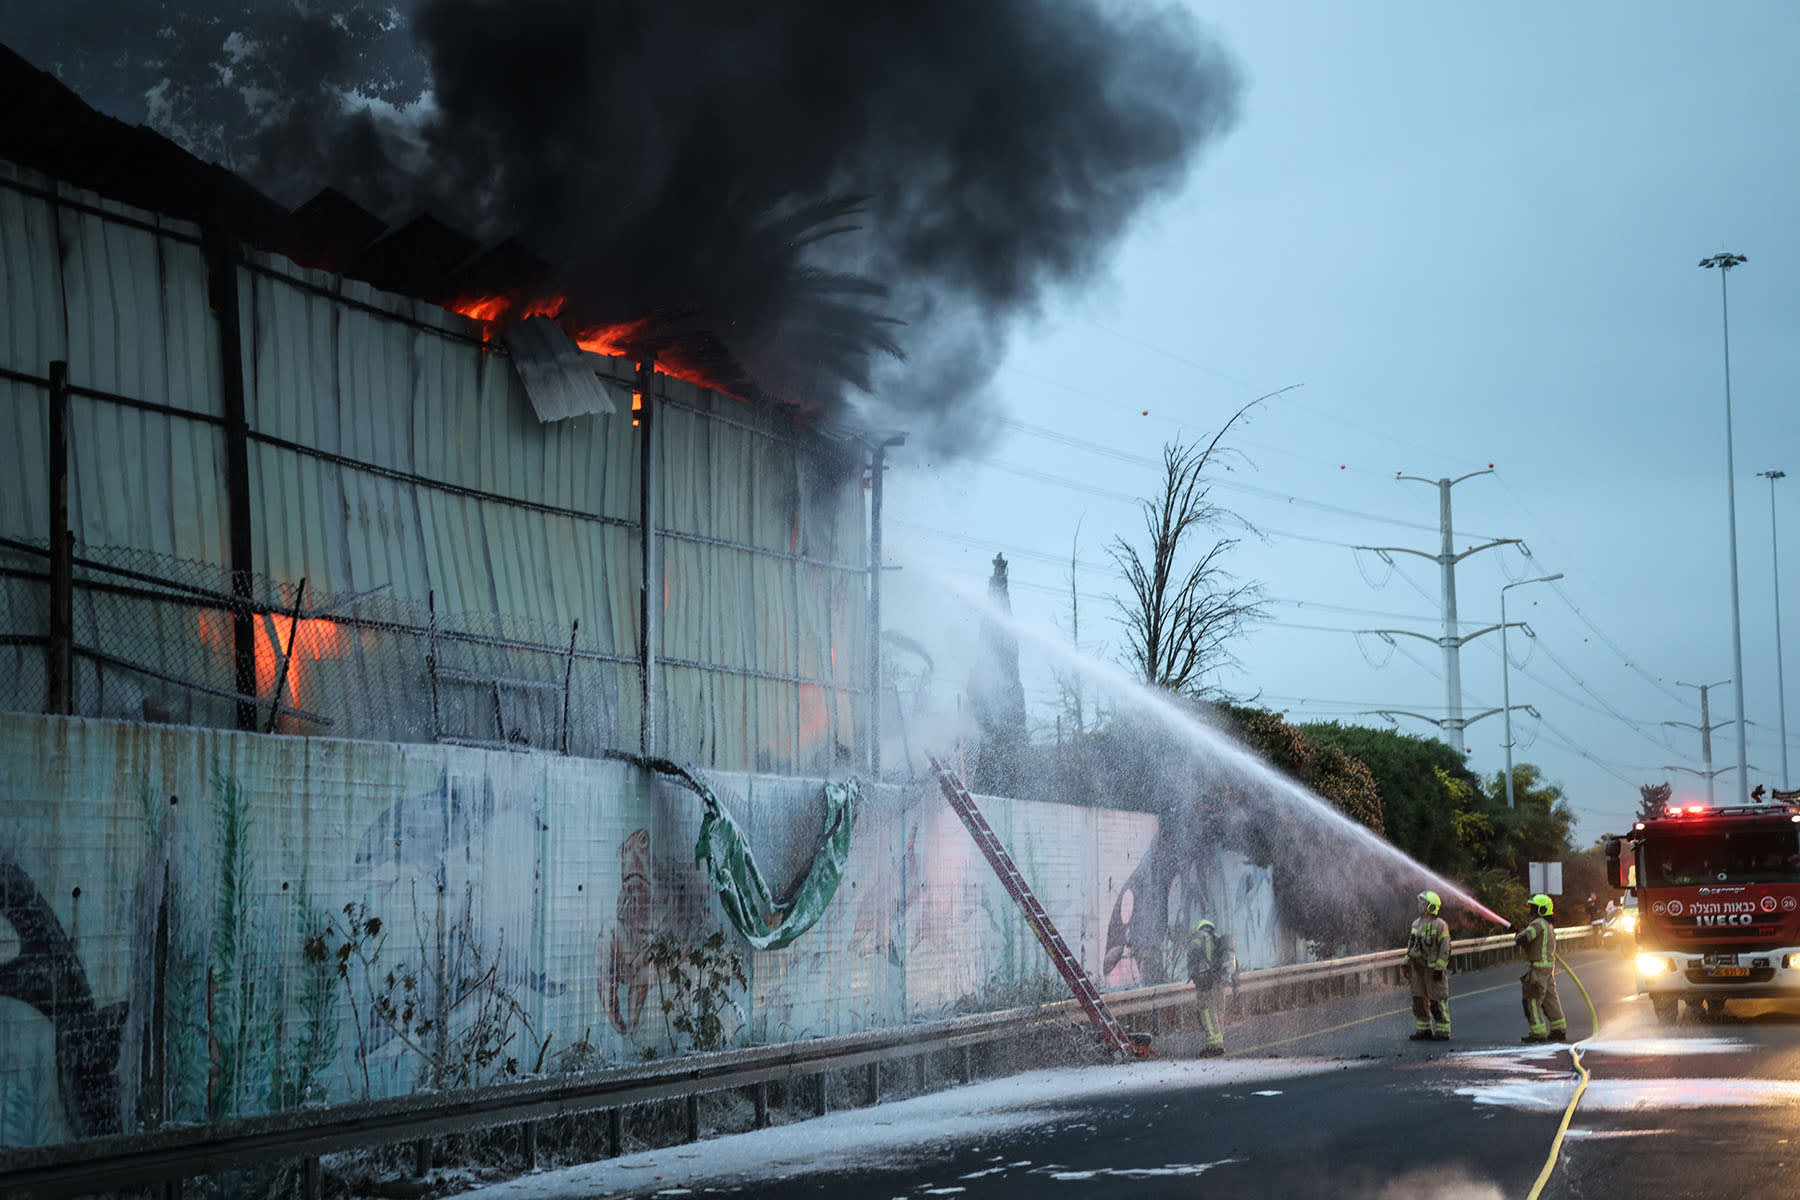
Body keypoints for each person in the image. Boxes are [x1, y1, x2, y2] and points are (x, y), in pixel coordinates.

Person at [1513, 893, 1569, 1043]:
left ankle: (1537, 1032)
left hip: (1537, 968)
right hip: (1548, 968)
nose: (1531, 910)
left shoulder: (1537, 923)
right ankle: (1559, 1029)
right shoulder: (1548, 926)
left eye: (1534, 907)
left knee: (1532, 1000)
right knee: (1550, 999)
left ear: (1542, 909)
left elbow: (1525, 938)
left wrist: (1518, 934)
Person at [1402, 890, 1452, 1042]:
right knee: (1418, 1001)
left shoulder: (1440, 925)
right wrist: (1406, 962)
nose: (1419, 906)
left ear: (1431, 907)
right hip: (1418, 969)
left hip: (1433, 969)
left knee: (1437, 1001)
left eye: (1422, 903)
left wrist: (1440, 967)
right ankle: (1423, 1030)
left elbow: (1445, 948)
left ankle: (1443, 1030)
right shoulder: (1416, 924)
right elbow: (1411, 945)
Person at [1187, 918, 1228, 1057]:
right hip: (1218, 983)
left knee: (1207, 1014)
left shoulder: (1198, 938)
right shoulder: (1217, 939)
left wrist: (1195, 976)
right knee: (1218, 1012)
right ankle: (1220, 1042)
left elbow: (1192, 959)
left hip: (1205, 983)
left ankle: (1214, 1046)